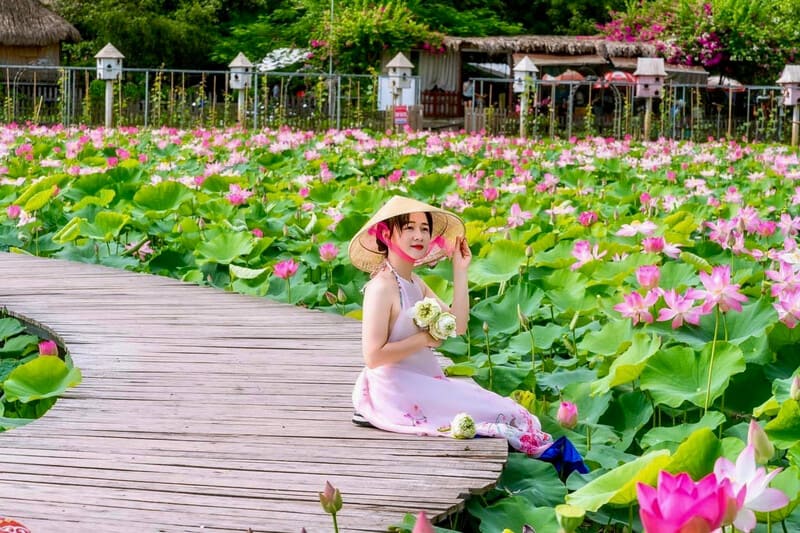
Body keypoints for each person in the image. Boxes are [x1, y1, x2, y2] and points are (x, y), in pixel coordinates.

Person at [347, 195, 554, 456]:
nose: (419, 235)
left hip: (421, 380)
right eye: (409, 227)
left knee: (508, 410)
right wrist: (424, 339)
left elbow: (458, 326)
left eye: (424, 229)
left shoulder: (415, 282)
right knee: (501, 414)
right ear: (387, 234)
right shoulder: (381, 287)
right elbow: (373, 356)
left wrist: (460, 269)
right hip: (394, 389)